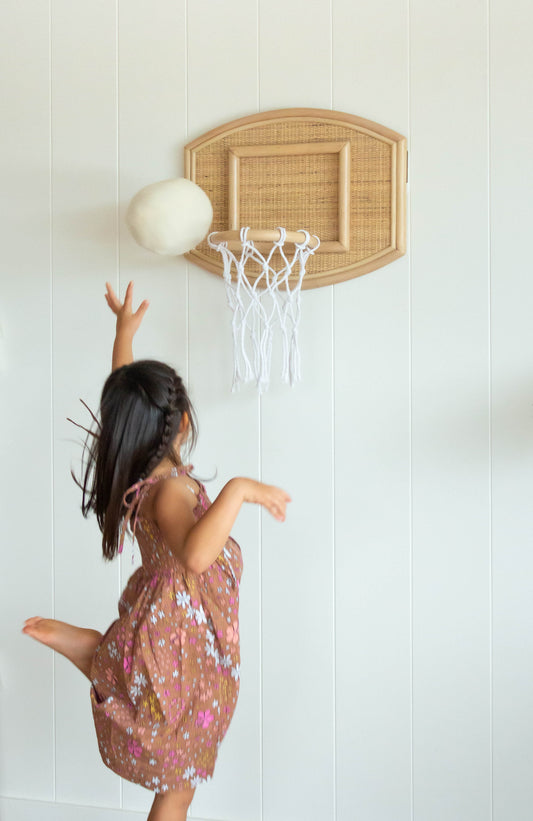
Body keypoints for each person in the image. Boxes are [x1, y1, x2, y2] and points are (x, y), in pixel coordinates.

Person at [23, 282, 291, 821]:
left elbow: (125, 398)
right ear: (183, 423)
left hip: (166, 635)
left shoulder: (139, 469)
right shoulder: (170, 490)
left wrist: (123, 335)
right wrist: (239, 489)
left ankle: (100, 655)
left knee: (182, 772)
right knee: (180, 778)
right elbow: (194, 556)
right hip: (180, 647)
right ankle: (97, 654)